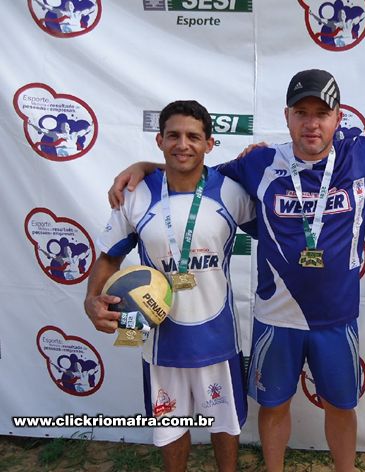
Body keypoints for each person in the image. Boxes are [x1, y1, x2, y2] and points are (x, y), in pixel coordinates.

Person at [107, 70, 365, 471]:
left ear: (338, 117)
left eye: (322, 113)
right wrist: (146, 167)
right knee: (274, 406)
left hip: (337, 320)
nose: (312, 123)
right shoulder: (259, 163)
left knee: (341, 407)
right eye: (302, 113)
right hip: (276, 318)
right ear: (287, 117)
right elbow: (192, 173)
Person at [84, 100, 255, 472]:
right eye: (173, 135)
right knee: (168, 429)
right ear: (159, 140)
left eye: (193, 137)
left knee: (226, 425)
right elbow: (109, 257)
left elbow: (278, 225)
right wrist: (91, 300)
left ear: (209, 144)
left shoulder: (233, 192)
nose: (183, 144)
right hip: (159, 340)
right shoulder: (135, 194)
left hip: (218, 339)